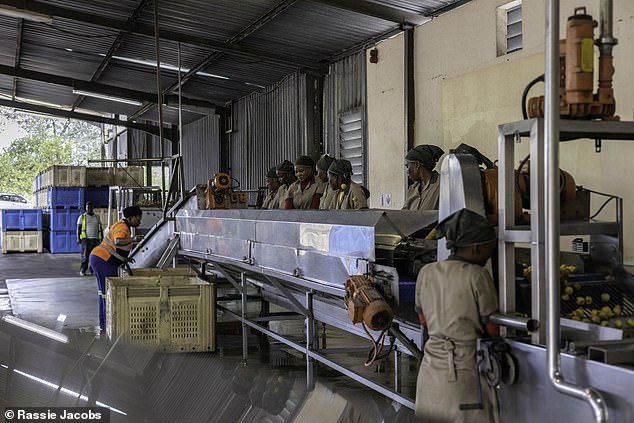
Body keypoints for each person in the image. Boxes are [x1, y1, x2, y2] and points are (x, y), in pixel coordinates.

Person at [414, 208, 499, 423]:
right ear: (477, 247)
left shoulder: (427, 272)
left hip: (431, 370)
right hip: (464, 374)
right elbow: (492, 328)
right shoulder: (478, 276)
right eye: (491, 245)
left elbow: (423, 320)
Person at [89, 205, 144, 330]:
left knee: (103, 293)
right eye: (138, 218)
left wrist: (125, 258)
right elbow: (118, 241)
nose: (140, 221)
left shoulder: (123, 225)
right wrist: (134, 239)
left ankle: (104, 323)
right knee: (108, 293)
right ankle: (108, 324)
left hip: (98, 258)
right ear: (131, 217)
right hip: (103, 260)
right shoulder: (122, 227)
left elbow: (118, 248)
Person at [403, 144, 444, 210]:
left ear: (417, 165)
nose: (407, 171)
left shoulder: (442, 185)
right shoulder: (412, 189)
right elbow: (404, 214)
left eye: (408, 166)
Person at [76, 201, 103, 276]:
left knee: (94, 255)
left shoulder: (97, 217)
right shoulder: (82, 217)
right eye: (87, 207)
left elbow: (100, 228)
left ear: (93, 208)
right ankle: (83, 269)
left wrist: (101, 238)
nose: (89, 209)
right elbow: (78, 228)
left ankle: (92, 269)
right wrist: (78, 238)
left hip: (96, 239)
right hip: (86, 239)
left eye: (90, 207)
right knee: (85, 256)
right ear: (86, 208)